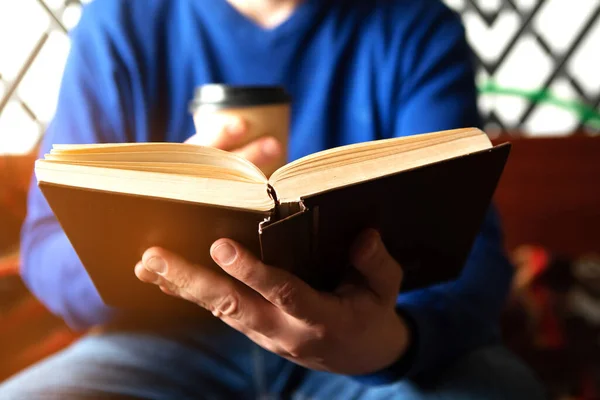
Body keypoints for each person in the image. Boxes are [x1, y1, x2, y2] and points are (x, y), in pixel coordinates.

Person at [0, 0, 545, 398]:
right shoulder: (119, 23)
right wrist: (160, 212)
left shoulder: (416, 26)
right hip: (155, 345)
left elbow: (471, 251)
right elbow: (48, 250)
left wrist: (390, 347)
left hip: (373, 348)